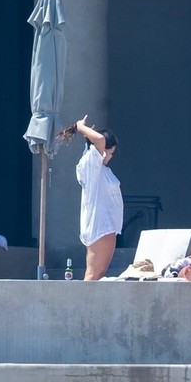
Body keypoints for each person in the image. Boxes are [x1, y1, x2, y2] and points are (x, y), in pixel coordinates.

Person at [59, 115, 122, 281]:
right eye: (110, 153)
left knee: (98, 273)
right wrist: (81, 127)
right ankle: (80, 299)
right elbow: (100, 140)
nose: (111, 157)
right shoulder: (90, 164)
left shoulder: (101, 168)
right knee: (94, 273)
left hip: (107, 225)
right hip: (99, 226)